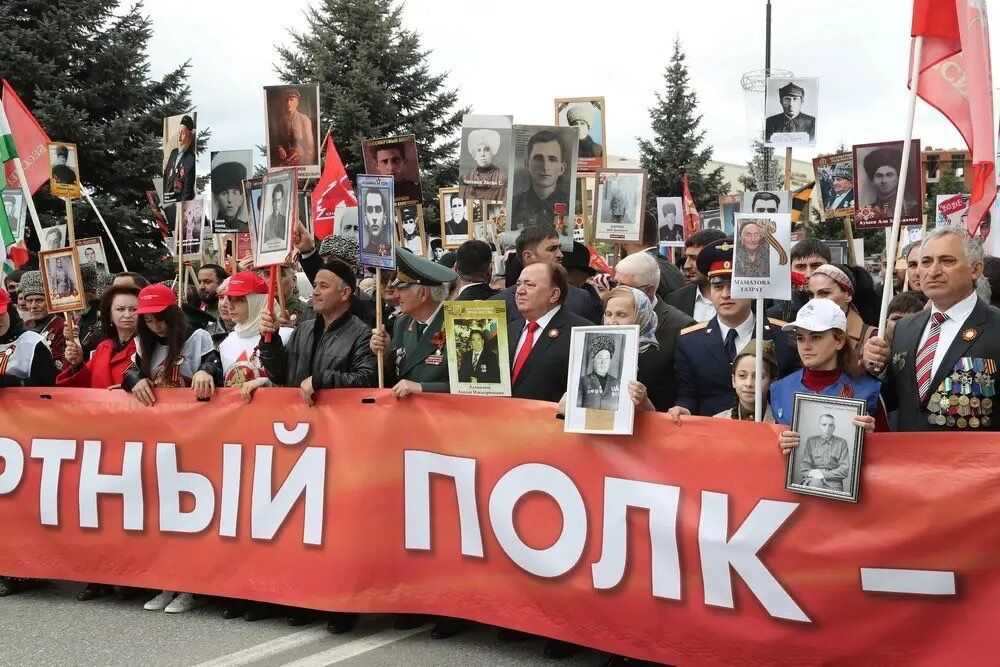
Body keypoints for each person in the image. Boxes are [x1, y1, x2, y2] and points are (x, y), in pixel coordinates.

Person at [120, 283, 221, 613]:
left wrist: (206, 371)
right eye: (148, 322)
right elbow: (129, 371)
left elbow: (215, 366)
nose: (155, 327)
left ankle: (191, 586)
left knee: (190, 515)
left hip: (195, 439)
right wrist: (136, 380)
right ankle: (167, 582)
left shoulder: (197, 338)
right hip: (159, 439)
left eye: (160, 320)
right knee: (162, 515)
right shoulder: (144, 343)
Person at [864, 227, 1000, 431]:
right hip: (909, 458)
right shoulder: (904, 328)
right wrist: (878, 367)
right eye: (926, 262)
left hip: (973, 460)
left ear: (975, 269)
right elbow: (893, 398)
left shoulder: (994, 326)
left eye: (947, 261)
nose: (933, 271)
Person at [669, 238, 798, 418]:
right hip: (713, 437)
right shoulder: (690, 340)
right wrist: (683, 409)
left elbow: (792, 393)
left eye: (735, 286)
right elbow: (687, 396)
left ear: (753, 289)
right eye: (718, 286)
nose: (726, 294)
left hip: (767, 435)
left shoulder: (783, 336)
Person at [774, 299, 880, 472]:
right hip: (794, 493)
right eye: (800, 338)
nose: (806, 346)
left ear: (839, 341)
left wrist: (872, 439)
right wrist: (778, 442)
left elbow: (889, 454)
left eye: (816, 337)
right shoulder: (779, 389)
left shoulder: (868, 389)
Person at [259, 257, 376, 407]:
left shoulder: (362, 334)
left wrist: (321, 380)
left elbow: (366, 380)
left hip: (338, 422)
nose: (315, 292)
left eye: (324, 286)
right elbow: (279, 374)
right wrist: (270, 339)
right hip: (299, 422)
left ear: (345, 293)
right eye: (314, 286)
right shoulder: (303, 329)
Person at [0, 289, 57, 599]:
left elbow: (47, 390)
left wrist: (11, 384)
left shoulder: (31, 344)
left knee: (22, 504)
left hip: (24, 437)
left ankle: (28, 569)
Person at [608, 251, 695, 410]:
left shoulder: (681, 327)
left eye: (624, 286)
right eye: (614, 284)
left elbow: (687, 391)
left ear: (648, 290)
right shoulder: (609, 319)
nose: (617, 291)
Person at [370, 249, 456, 396]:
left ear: (422, 293)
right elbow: (395, 379)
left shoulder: (457, 323)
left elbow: (473, 385)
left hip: (443, 414)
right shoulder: (402, 323)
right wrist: (384, 354)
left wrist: (422, 388)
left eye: (402, 288)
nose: (396, 294)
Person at [508, 262, 591, 402]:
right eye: (518, 284)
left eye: (530, 285)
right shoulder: (509, 329)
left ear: (554, 294)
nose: (520, 291)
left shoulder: (581, 334)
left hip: (552, 421)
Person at [491, 226, 602, 323]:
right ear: (528, 256)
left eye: (559, 248)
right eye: (552, 249)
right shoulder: (497, 304)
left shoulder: (581, 298)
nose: (560, 255)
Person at [215, 272, 294, 396]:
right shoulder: (226, 343)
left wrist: (268, 383)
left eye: (239, 300)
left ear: (256, 301)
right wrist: (205, 372)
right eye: (229, 298)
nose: (230, 305)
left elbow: (294, 382)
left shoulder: (287, 336)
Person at [806, 264, 874, 367]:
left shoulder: (871, 337)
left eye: (824, 293)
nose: (815, 301)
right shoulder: (803, 333)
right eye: (811, 295)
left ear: (848, 295)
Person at [510, 130, 570, 231]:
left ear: (562, 168)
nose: (545, 167)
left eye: (552, 159)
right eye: (538, 158)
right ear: (527, 164)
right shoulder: (513, 205)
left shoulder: (572, 205)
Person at [666, 228, 728, 321]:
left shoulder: (747, 300)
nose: (686, 266)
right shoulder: (674, 301)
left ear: (716, 257)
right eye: (686, 258)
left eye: (694, 258)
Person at [714, 339, 777, 422]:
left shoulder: (783, 423)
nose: (749, 383)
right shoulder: (717, 422)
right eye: (742, 375)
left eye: (758, 377)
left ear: (772, 382)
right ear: (733, 380)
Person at [18, 270, 67, 371]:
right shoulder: (24, 326)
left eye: (39, 300)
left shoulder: (62, 326)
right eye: (29, 301)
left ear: (49, 301)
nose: (33, 306)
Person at [861, 147, 919, 219]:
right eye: (879, 176)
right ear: (872, 180)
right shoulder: (867, 211)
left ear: (899, 178)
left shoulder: (912, 208)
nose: (884, 181)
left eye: (889, 175)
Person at [272, 88, 316, 167]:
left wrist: (302, 156)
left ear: (297, 103)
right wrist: (280, 148)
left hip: (301, 162)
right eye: (286, 100)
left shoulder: (304, 119)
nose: (288, 103)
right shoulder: (282, 121)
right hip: (286, 162)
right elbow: (278, 140)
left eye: (291, 100)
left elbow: (310, 146)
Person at [460, 128, 506, 201]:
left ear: (492, 153)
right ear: (474, 155)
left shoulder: (501, 177)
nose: (482, 154)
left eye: (486, 150)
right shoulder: (468, 177)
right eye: (479, 150)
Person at [163, 114, 196, 203]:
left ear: (189, 135)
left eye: (183, 133)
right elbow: (166, 175)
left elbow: (187, 191)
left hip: (179, 203)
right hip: (168, 199)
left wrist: (180, 206)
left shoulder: (190, 158)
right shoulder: (174, 152)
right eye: (179, 132)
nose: (180, 137)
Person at [213, 161, 249, 232]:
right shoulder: (212, 228)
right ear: (216, 199)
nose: (230, 199)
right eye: (224, 193)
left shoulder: (247, 229)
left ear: (241, 199)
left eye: (235, 193)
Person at [361, 189, 392, 256]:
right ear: (365, 219)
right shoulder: (364, 254)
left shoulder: (392, 251)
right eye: (370, 210)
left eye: (378, 209)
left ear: (384, 218)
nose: (374, 217)